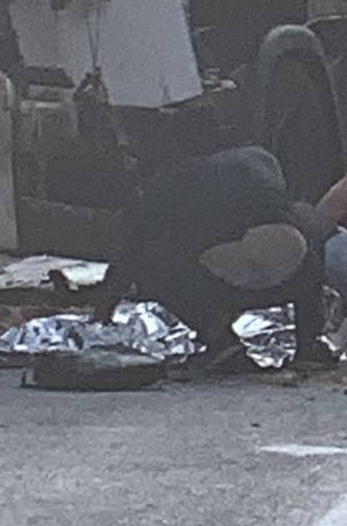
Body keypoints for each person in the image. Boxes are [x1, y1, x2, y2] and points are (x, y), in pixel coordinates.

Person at [94, 143, 338, 368]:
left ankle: (221, 341)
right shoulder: (261, 160)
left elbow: (133, 251)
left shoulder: (164, 185)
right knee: (303, 248)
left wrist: (104, 308)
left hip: (220, 281)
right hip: (290, 272)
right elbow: (308, 225)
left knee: (152, 271)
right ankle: (309, 347)